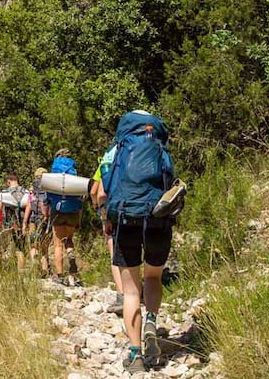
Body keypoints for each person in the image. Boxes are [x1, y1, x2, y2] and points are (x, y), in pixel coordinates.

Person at [100, 110, 176, 374]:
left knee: (131, 291)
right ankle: (152, 321)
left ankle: (135, 355)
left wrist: (106, 215)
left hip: (125, 217)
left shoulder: (116, 149)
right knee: (153, 278)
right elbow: (170, 182)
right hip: (156, 218)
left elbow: (102, 188)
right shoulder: (159, 145)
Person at [90, 147, 123, 315]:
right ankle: (139, 292)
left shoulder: (108, 157)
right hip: (140, 208)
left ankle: (122, 296)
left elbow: (96, 192)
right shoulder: (143, 152)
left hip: (113, 210)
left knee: (115, 254)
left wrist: (102, 213)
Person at [47, 149, 83, 284]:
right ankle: (71, 255)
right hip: (73, 210)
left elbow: (48, 197)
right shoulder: (73, 172)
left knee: (57, 244)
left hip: (57, 210)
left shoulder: (54, 172)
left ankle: (60, 275)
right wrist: (79, 220)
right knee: (68, 239)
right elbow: (80, 197)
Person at [0, 173, 31, 271]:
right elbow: (29, 206)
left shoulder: (4, 193)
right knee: (20, 248)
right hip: (21, 224)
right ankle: (21, 272)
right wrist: (24, 223)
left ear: (8, 181)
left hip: (8, 225)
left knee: (0, 248)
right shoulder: (26, 192)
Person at [22, 167, 51, 276]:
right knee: (45, 246)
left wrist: (25, 222)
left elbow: (29, 205)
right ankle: (44, 269)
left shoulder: (32, 190)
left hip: (33, 220)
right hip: (45, 219)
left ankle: (34, 262)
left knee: (34, 245)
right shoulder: (49, 188)